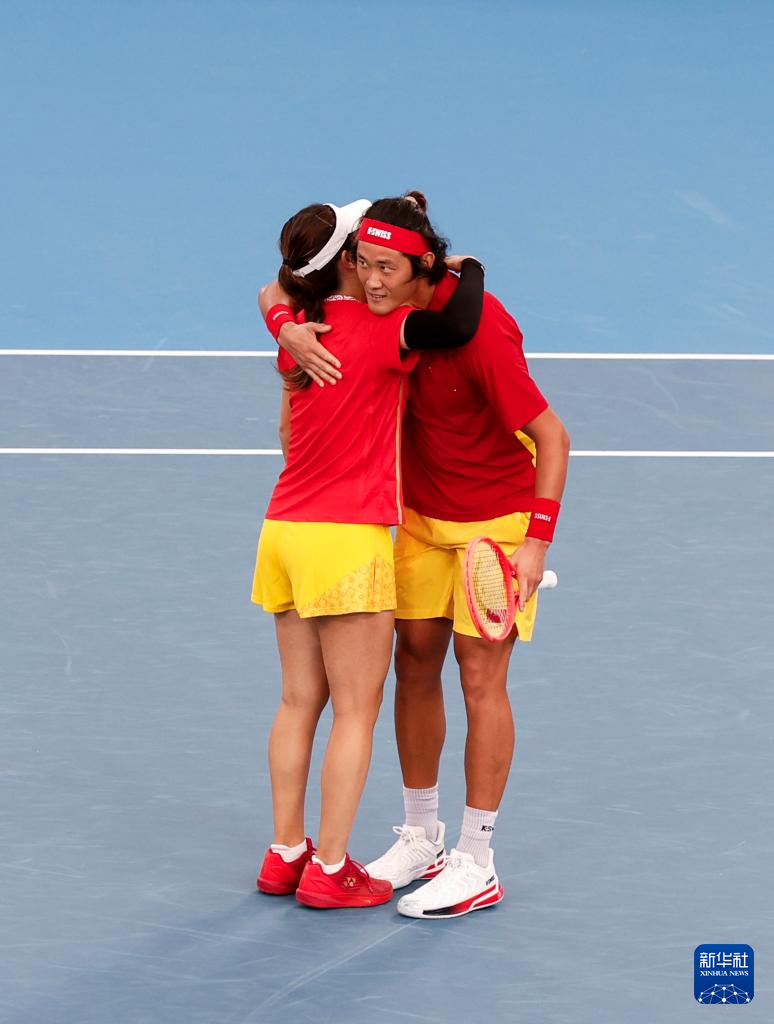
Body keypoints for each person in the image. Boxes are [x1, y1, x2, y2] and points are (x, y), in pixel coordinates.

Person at [281, 192, 570, 919]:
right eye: (364, 264)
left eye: (388, 268)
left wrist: (536, 543)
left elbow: (553, 436)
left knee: (480, 679)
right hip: (418, 520)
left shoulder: (479, 328)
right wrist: (285, 326)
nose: (371, 280)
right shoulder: (376, 314)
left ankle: (477, 858)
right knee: (412, 666)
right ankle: (423, 835)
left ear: (426, 267)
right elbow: (279, 285)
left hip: (495, 524)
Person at [252, 197, 485, 909]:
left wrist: (284, 326)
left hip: (282, 531)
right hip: (346, 539)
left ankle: (284, 855)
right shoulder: (385, 329)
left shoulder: (300, 327)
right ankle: (329, 869)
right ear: (350, 262)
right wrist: (463, 265)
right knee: (356, 711)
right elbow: (458, 321)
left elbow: (271, 290)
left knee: (298, 701)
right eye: (362, 252)